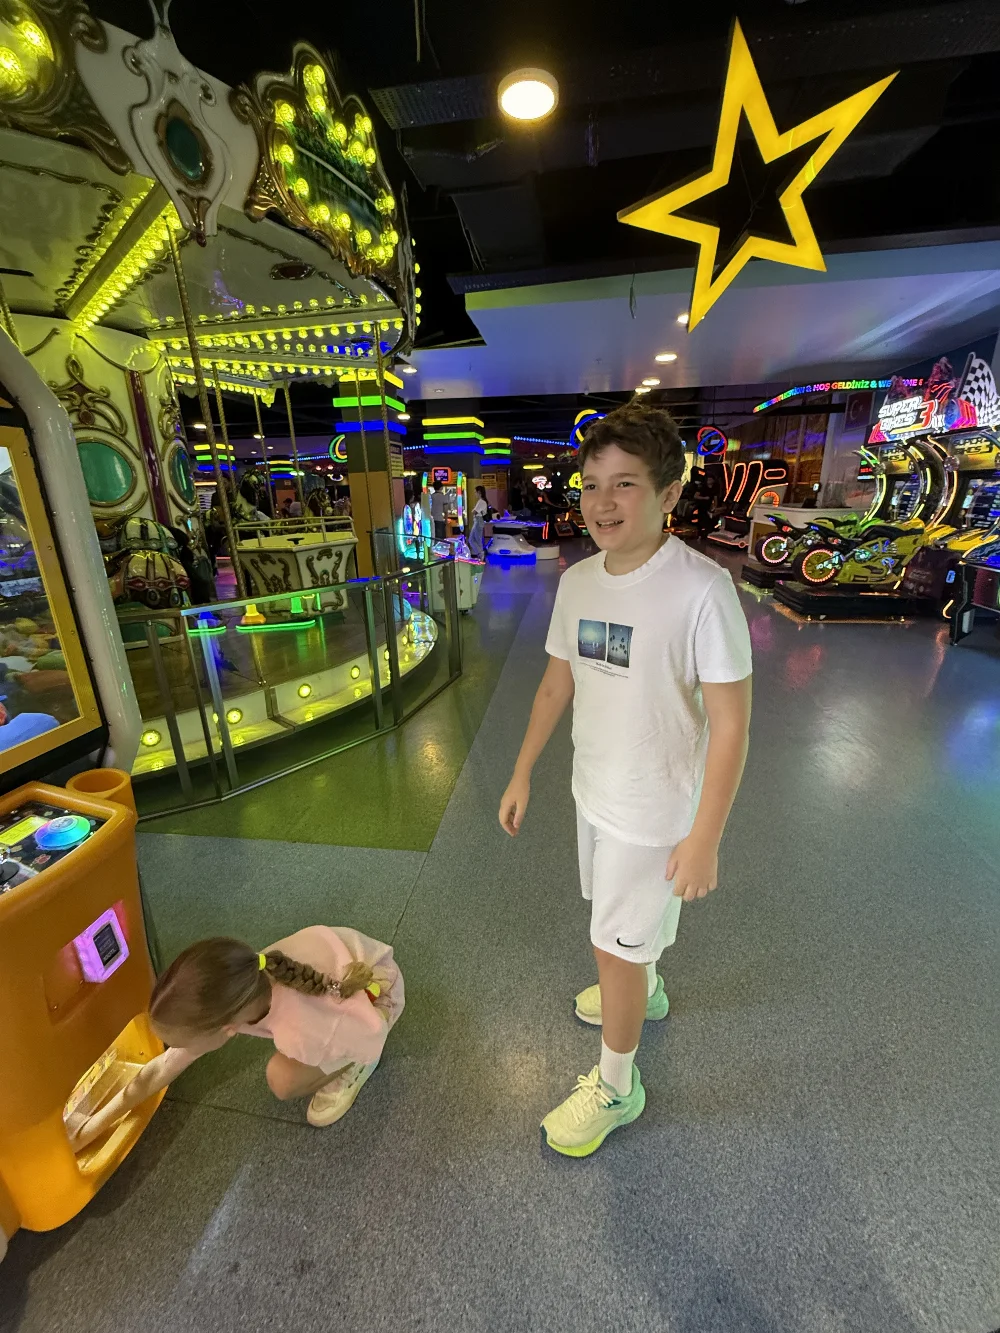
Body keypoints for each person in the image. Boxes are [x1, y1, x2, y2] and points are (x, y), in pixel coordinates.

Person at [498, 402, 752, 1158]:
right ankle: (645, 983)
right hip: (594, 791)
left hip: (655, 812)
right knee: (622, 935)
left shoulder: (702, 590)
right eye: (591, 484)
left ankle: (617, 1085)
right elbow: (556, 684)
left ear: (669, 493)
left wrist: (704, 837)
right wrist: (521, 771)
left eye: (625, 484)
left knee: (610, 947)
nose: (602, 502)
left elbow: (731, 726)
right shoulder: (578, 582)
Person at [67, 926, 404, 1150]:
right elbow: (160, 1070)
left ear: (226, 1029)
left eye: (181, 1044)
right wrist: (90, 1128)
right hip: (347, 978)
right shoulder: (240, 979)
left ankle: (355, 1064)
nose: (176, 1051)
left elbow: (370, 1033)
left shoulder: (299, 1029)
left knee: (282, 1079)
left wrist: (357, 1048)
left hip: (378, 1001)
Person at [468, 484, 490, 557]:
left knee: (476, 539)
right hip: (478, 521)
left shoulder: (481, 502)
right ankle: (480, 553)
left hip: (478, 521)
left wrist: (473, 510)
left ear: (479, 492)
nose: (475, 494)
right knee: (473, 539)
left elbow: (474, 512)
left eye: (475, 492)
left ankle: (481, 553)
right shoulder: (481, 501)